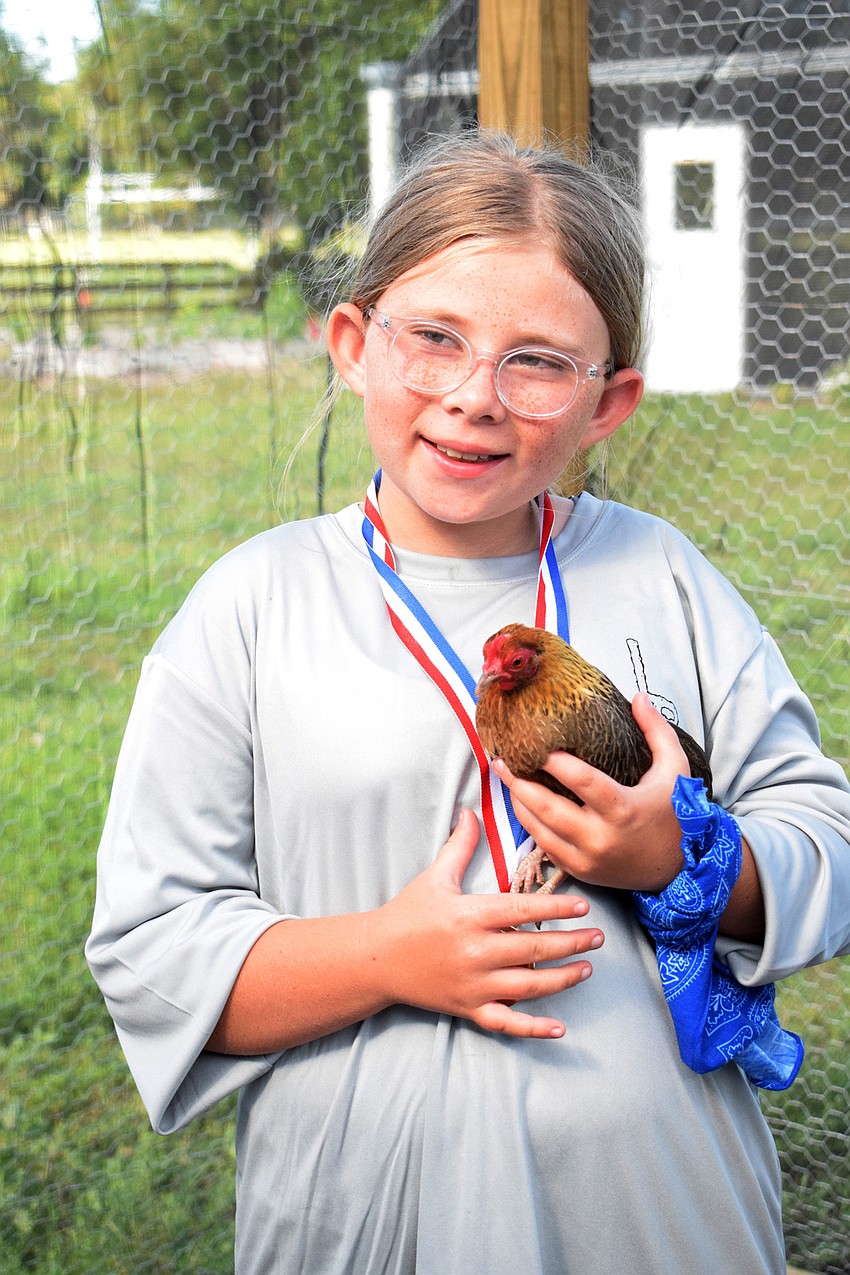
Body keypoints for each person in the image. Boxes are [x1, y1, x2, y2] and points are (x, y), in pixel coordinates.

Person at [86, 131, 850, 1275]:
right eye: (432, 338)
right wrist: (385, 957)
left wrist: (688, 863)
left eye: (538, 361)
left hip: (660, 1210)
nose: (473, 397)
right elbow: (154, 948)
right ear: (352, 344)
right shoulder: (248, 608)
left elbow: (826, 843)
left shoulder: (665, 576)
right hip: (368, 1213)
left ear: (609, 401)